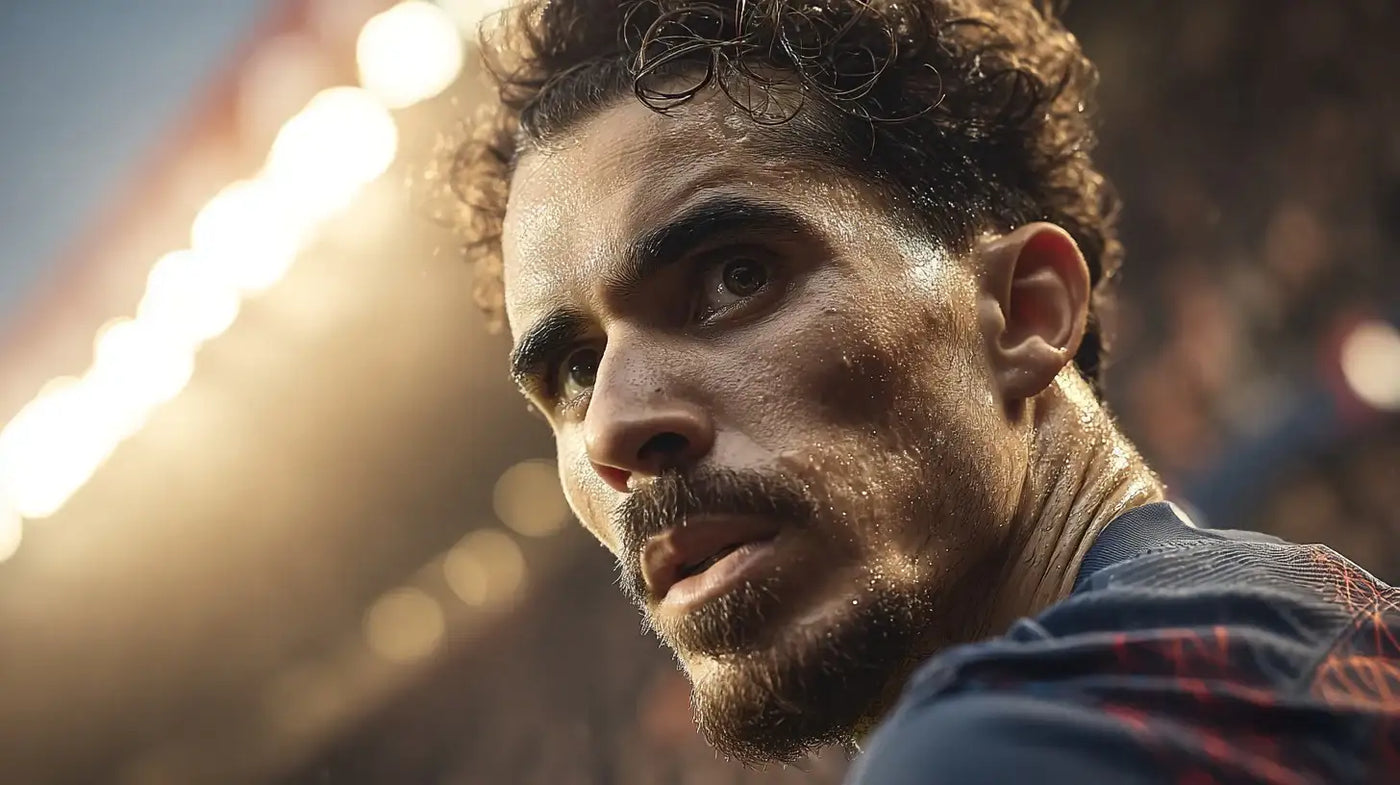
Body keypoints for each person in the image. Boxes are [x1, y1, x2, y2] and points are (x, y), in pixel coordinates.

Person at [449, 0, 1400, 781]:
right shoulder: (1303, 632)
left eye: (735, 275)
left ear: (1024, 312)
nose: (615, 425)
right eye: (575, 370)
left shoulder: (1004, 747)